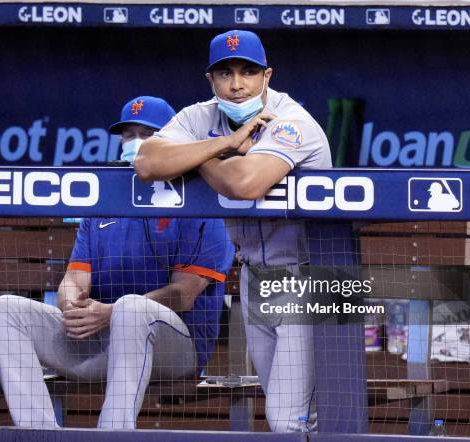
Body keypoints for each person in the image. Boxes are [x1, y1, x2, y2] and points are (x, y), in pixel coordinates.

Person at [0, 96, 234, 429]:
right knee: (2, 311)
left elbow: (183, 295)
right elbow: (75, 277)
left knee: (131, 309)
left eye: (148, 133)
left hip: (174, 350)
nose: (136, 143)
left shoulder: (199, 202)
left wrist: (110, 313)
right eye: (128, 135)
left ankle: (113, 435)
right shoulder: (104, 202)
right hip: (99, 340)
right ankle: (38, 433)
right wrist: (71, 305)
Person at [135, 30, 332, 432]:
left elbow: (244, 184)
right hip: (255, 278)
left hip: (312, 276)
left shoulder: (291, 120)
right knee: (289, 416)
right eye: (225, 73)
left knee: (290, 420)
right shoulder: (201, 116)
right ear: (211, 79)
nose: (237, 84)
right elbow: (148, 161)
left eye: (248, 72)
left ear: (267, 76)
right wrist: (225, 143)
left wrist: (198, 155)